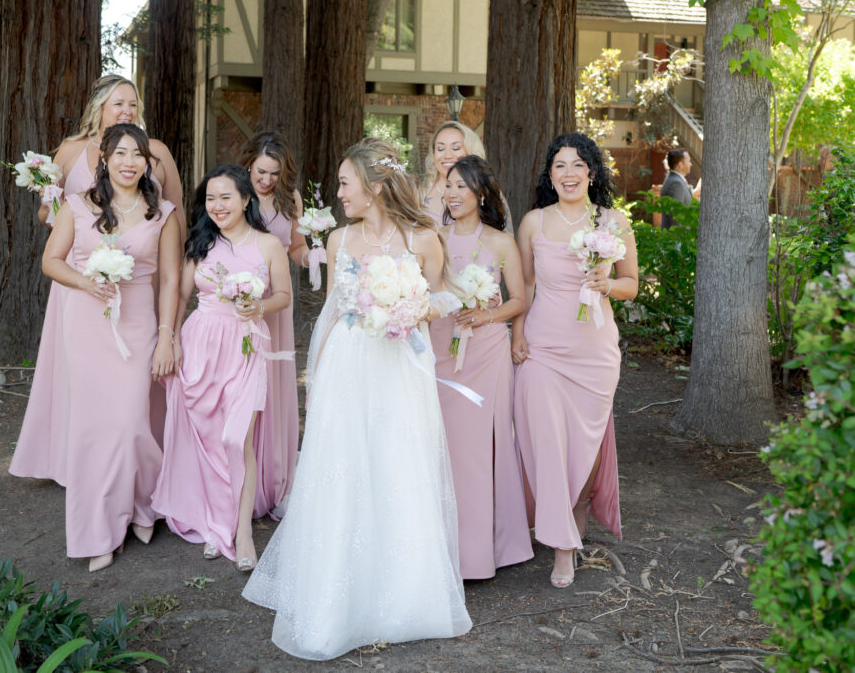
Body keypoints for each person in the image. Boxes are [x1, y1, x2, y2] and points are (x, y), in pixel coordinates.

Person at [243, 138, 471, 661]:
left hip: (399, 366)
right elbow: (330, 312)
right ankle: (336, 596)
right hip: (350, 363)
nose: (340, 192)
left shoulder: (422, 238)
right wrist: (316, 376)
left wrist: (412, 305)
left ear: (372, 187)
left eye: (346, 183)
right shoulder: (342, 240)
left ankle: (404, 599)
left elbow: (445, 296)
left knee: (397, 467)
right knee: (344, 468)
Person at [10, 74, 184, 486]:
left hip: (140, 277)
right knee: (79, 376)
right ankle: (78, 463)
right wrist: (47, 202)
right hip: (80, 282)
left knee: (137, 377)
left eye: (132, 104)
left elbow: (174, 206)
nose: (126, 111)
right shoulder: (70, 151)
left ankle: (141, 464)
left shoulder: (154, 151)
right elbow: (49, 220)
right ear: (99, 108)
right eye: (117, 104)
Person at [37, 123, 182, 572]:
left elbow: (172, 279)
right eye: (119, 153)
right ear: (104, 158)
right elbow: (51, 261)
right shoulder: (78, 207)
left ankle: (142, 504)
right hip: (87, 325)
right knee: (92, 432)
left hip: (139, 325)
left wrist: (167, 335)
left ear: (146, 162)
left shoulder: (164, 213)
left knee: (131, 424)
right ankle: (97, 531)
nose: (129, 162)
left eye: (137, 154)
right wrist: (86, 281)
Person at [512, 133, 638, 588]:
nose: (569, 173)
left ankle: (579, 510)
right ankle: (562, 547)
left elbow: (632, 285)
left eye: (578, 165)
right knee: (547, 442)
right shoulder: (532, 223)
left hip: (595, 352)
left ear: (591, 173)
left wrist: (607, 283)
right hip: (544, 348)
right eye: (560, 166)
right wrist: (517, 336)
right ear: (550, 175)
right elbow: (523, 288)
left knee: (584, 445)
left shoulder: (612, 221)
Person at [151, 164, 291, 570]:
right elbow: (179, 293)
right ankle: (216, 524)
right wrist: (170, 338)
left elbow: (283, 293)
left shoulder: (267, 245)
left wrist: (259, 306)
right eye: (210, 198)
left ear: (246, 199)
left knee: (235, 439)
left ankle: (243, 531)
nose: (217, 205)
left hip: (246, 347)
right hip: (200, 346)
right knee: (209, 441)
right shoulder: (201, 241)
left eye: (225, 197)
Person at [428, 155, 534, 580]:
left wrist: (486, 316)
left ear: (481, 193)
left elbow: (520, 299)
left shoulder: (501, 243)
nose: (452, 194)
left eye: (461, 187)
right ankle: (439, 546)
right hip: (440, 348)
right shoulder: (432, 237)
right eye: (448, 186)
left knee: (478, 449)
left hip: (487, 352)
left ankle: (481, 551)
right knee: (443, 444)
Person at [237, 132, 309, 518]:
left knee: (276, 384)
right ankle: (243, 478)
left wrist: (310, 257)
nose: (265, 180)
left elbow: (294, 247)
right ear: (249, 163)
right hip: (242, 301)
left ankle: (277, 480)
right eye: (261, 172)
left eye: (274, 174)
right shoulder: (235, 192)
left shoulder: (290, 199)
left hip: (277, 302)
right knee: (245, 382)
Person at [420, 121, 487, 222]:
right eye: (440, 148)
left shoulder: (486, 192)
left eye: (456, 148)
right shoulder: (419, 194)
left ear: (470, 152)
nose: (447, 155)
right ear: (433, 154)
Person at [659, 148, 699, 228]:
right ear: (680, 164)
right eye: (688, 161)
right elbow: (676, 219)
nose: (691, 164)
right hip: (678, 238)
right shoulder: (676, 184)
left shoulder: (676, 180)